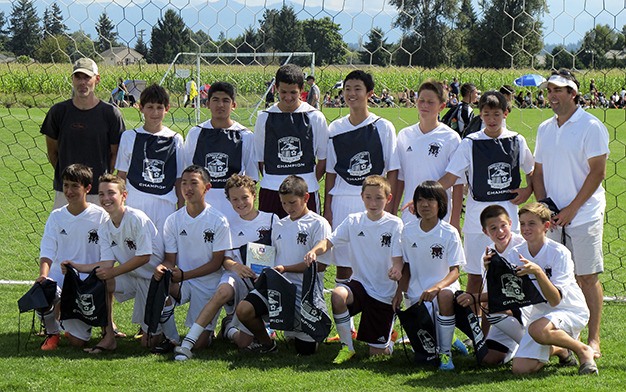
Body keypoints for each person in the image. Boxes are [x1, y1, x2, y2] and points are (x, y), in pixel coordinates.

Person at [532, 69, 609, 359]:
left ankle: (594, 339)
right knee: (559, 278)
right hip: (553, 218)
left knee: (587, 277)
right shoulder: (544, 128)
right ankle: (566, 341)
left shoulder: (591, 126)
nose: (552, 95)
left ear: (573, 93)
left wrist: (572, 208)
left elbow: (598, 172)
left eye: (559, 90)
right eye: (549, 89)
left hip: (584, 214)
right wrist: (545, 207)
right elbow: (537, 171)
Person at [439, 90, 534, 316]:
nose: (492, 120)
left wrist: (528, 190)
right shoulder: (470, 143)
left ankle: (506, 325)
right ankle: (476, 332)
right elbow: (451, 177)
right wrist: (424, 194)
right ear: (480, 115)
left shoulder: (517, 140)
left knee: (510, 273)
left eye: (497, 114)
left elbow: (531, 170)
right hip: (476, 220)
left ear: (506, 114)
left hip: (507, 219)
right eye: (487, 114)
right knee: (474, 274)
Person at [173, 174, 275, 360]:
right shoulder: (227, 223)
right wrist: (236, 266)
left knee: (244, 343)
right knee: (223, 291)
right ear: (228, 200)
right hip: (237, 276)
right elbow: (225, 260)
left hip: (262, 280)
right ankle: (188, 342)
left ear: (254, 194)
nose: (240, 203)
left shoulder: (272, 220)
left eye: (244, 197)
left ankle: (229, 328)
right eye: (234, 199)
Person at [304, 175, 403, 364]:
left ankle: (388, 339)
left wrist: (396, 270)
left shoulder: (395, 224)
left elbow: (398, 259)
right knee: (337, 294)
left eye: (378, 198)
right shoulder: (353, 221)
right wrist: (314, 251)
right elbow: (329, 241)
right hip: (360, 286)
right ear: (362, 196)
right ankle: (347, 348)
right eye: (368, 197)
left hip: (384, 292)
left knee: (377, 355)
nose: (373, 203)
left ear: (388, 199)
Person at [61, 173, 163, 353]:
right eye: (101, 194)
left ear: (124, 196)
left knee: (149, 342)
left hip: (153, 280)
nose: (106, 198)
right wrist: (76, 266)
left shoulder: (136, 218)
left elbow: (144, 257)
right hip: (132, 277)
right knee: (103, 280)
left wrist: (113, 273)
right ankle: (109, 336)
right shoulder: (105, 226)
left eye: (111, 193)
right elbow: (107, 263)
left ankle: (162, 320)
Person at [323, 70, 400, 301]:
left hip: (374, 203)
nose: (351, 94)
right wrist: (327, 208)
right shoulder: (335, 128)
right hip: (342, 201)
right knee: (344, 263)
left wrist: (390, 206)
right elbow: (330, 173)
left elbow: (393, 169)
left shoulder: (383, 126)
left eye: (357, 89)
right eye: (347, 89)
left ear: (370, 93)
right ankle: (347, 321)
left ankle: (381, 318)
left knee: (379, 261)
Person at [236, 175, 331, 356]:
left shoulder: (318, 223)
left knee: (305, 351)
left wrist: (285, 269)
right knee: (244, 310)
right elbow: (273, 258)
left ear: (306, 198)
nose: (288, 208)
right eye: (284, 203)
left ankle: (305, 330)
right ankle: (267, 344)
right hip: (278, 289)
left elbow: (320, 266)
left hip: (305, 294)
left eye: (292, 202)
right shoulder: (280, 225)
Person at [510, 202, 597, 375]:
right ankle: (562, 349)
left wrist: (538, 272)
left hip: (569, 309)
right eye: (523, 224)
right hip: (541, 313)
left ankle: (583, 351)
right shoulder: (515, 253)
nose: (526, 228)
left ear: (546, 226)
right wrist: (492, 270)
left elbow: (556, 300)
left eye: (532, 223)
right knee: (521, 369)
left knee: (538, 330)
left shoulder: (559, 253)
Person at [153, 165, 233, 352]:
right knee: (159, 287)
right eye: (184, 183)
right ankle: (171, 338)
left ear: (207, 187)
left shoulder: (218, 220)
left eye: (194, 183)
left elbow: (216, 263)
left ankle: (224, 324)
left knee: (199, 345)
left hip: (208, 283)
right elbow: (170, 260)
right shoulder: (173, 220)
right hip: (183, 280)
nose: (188, 188)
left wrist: (184, 275)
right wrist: (163, 268)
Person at [393, 181, 465, 370]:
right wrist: (399, 292)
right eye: (420, 200)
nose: (424, 205)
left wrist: (437, 287)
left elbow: (455, 271)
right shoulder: (407, 231)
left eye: (430, 200)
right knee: (425, 352)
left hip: (444, 288)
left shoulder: (450, 232)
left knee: (445, 295)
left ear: (441, 204)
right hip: (416, 293)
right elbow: (406, 266)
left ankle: (446, 354)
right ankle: (449, 337)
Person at [36, 164, 108, 350]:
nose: (69, 191)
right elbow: (47, 250)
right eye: (66, 185)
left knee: (78, 343)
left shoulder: (101, 216)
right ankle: (52, 333)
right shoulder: (56, 216)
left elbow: (108, 256)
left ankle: (68, 324)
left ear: (87, 188)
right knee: (44, 290)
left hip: (86, 280)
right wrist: (43, 276)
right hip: (59, 277)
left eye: (75, 186)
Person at [41, 57, 125, 209]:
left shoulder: (111, 113)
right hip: (65, 191)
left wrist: (101, 181)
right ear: (72, 79)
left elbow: (116, 154)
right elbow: (53, 152)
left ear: (97, 79)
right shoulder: (58, 112)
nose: (82, 82)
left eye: (87, 77)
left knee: (98, 233)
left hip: (98, 192)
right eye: (78, 77)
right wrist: (71, 180)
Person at [456, 204, 529, 366]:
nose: (500, 232)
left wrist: (473, 298)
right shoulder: (488, 254)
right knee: (487, 360)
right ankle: (520, 346)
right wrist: (484, 338)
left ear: (510, 223)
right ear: (485, 232)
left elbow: (519, 294)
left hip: (528, 309)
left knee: (495, 306)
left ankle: (542, 346)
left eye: (503, 226)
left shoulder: (523, 247)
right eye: (493, 228)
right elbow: (490, 297)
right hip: (505, 314)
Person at [253, 64, 329, 218]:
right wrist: (274, 180)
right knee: (270, 239)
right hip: (271, 191)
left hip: (305, 191)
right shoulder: (264, 117)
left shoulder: (315, 116)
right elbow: (260, 159)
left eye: (293, 92)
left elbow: (323, 159)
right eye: (283, 92)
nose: (288, 97)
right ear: (276, 88)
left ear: (301, 89)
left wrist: (308, 182)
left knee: (308, 239)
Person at [115, 84, 184, 233]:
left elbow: (179, 179)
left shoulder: (175, 139)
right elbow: (121, 176)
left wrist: (182, 209)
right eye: (150, 107)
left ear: (167, 109)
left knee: (164, 253)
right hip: (136, 203)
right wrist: (118, 206)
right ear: (141, 108)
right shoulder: (129, 137)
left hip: (165, 206)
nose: (155, 112)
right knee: (135, 252)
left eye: (159, 107)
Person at [183, 82, 258, 221]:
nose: (220, 105)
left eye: (226, 101)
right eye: (215, 100)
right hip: (203, 208)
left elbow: (252, 178)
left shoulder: (245, 135)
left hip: (234, 210)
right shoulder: (195, 133)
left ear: (233, 105)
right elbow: (187, 173)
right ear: (207, 104)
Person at [395, 79, 463, 231]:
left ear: (442, 106)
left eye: (430, 102)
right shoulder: (404, 135)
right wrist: (393, 213)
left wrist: (455, 221)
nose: (424, 105)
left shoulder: (451, 138)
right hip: (409, 213)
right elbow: (400, 178)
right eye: (421, 100)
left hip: (440, 214)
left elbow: (457, 183)